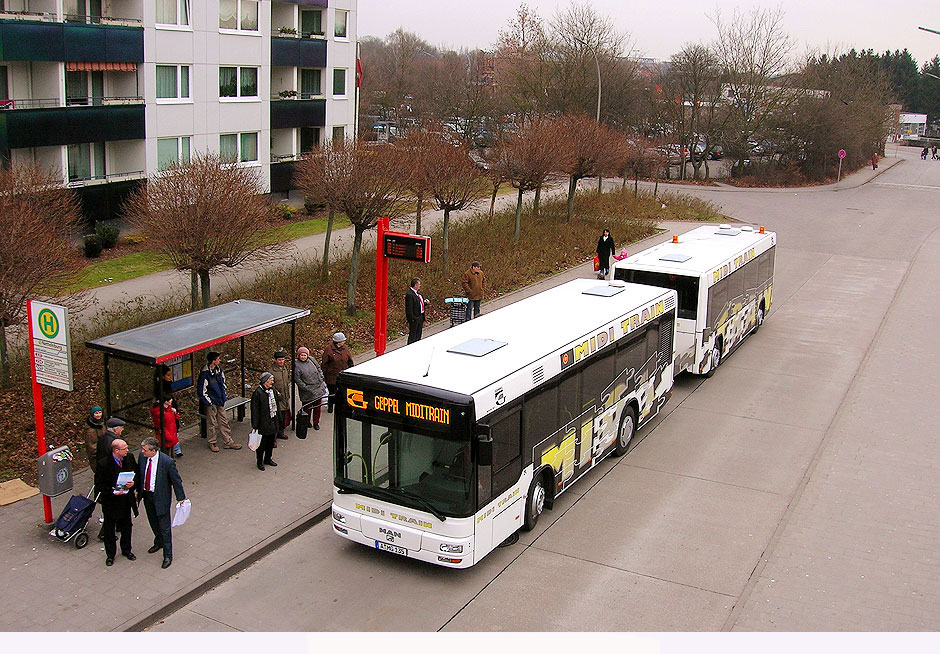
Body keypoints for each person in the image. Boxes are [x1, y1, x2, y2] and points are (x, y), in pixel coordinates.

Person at [138, 436, 186, 569]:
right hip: (147, 495)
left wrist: (180, 497)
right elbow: (140, 474)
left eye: (145, 450)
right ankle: (158, 541)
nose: (142, 452)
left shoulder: (167, 462)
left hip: (161, 498)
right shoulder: (142, 458)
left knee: (164, 527)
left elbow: (176, 480)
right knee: (153, 521)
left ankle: (168, 555)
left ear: (153, 451)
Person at [95, 438, 138, 567]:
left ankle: (126, 550)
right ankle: (110, 555)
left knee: (126, 526)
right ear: (116, 450)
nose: (127, 450)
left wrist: (133, 483)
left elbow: (136, 473)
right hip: (111, 502)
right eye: (125, 448)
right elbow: (99, 485)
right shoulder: (103, 464)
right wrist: (112, 491)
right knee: (109, 529)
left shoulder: (128, 458)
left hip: (125, 500)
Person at [198, 351, 242, 453]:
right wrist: (209, 402)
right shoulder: (205, 374)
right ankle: (212, 442)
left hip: (220, 400)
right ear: (213, 361)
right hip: (211, 402)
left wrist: (223, 397)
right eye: (218, 359)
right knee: (211, 423)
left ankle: (228, 441)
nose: (220, 360)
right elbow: (202, 391)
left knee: (224, 421)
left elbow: (223, 383)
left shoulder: (219, 370)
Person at [251, 372, 281, 471]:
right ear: (265, 382)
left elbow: (277, 405)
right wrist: (255, 424)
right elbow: (255, 410)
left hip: (272, 420)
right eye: (270, 380)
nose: (272, 382)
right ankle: (259, 461)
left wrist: (279, 418)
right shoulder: (258, 393)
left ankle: (268, 458)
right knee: (262, 444)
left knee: (270, 442)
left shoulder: (272, 391)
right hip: (263, 423)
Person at [153, 364, 183, 456]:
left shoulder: (166, 386)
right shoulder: (161, 407)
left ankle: (176, 449)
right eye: (168, 375)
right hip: (167, 434)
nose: (170, 377)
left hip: (171, 428)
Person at [294, 346, 326, 431]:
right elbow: (298, 379)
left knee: (317, 408)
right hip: (307, 391)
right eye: (301, 355)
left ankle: (316, 422)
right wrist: (306, 387)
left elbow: (318, 368)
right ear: (298, 356)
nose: (303, 357)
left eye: (304, 355)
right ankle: (307, 422)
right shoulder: (297, 365)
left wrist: (321, 377)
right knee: (307, 409)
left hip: (317, 388)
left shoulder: (312, 359)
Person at [321, 333, 353, 414]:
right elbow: (324, 364)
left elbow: (349, 360)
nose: (344, 342)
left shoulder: (345, 348)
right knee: (332, 392)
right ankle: (330, 406)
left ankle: (342, 406)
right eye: (343, 340)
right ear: (338, 342)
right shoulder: (328, 349)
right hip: (332, 376)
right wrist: (324, 375)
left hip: (343, 376)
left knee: (343, 392)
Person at [268, 350, 292, 441]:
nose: (281, 361)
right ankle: (272, 438)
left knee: (283, 417)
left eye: (283, 359)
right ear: (275, 360)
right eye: (279, 360)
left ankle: (280, 433)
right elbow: (270, 386)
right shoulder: (271, 371)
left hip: (285, 397)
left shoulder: (284, 369)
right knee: (276, 419)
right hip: (277, 398)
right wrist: (277, 394)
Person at [84, 406, 106, 475]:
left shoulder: (103, 423)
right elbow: (92, 447)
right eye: (96, 413)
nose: (99, 415)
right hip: (99, 456)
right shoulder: (91, 430)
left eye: (100, 412)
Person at [405, 277, 429, 344]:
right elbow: (409, 308)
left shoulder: (418, 294)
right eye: (419, 284)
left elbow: (418, 304)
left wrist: (424, 303)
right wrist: (412, 319)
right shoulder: (410, 295)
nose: (420, 286)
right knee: (413, 335)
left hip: (420, 316)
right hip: (415, 318)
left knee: (418, 335)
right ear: (415, 285)